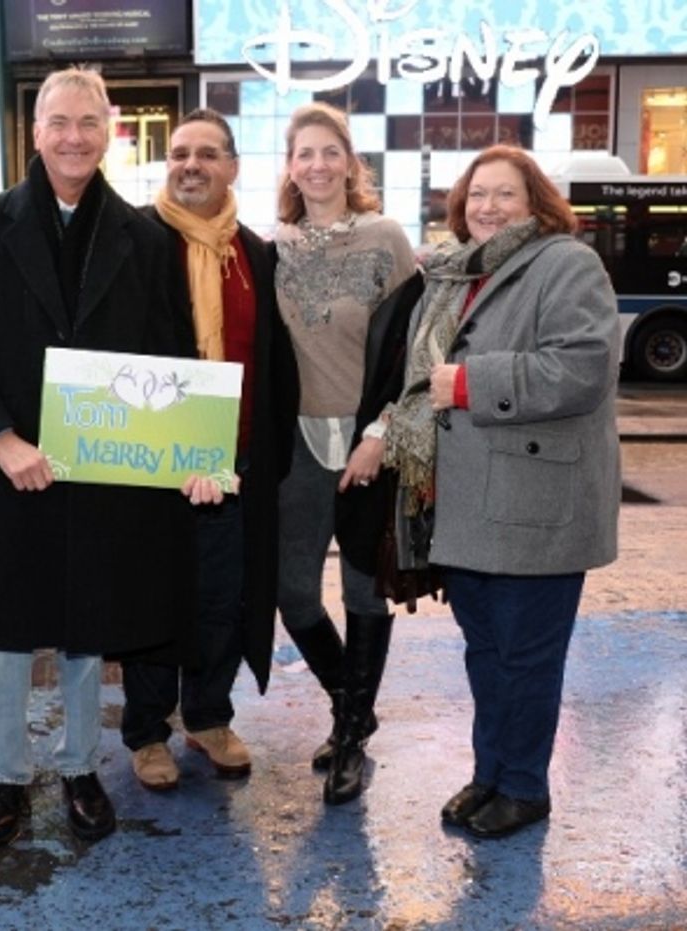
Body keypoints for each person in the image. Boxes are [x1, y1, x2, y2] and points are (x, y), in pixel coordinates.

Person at [0, 66, 204, 848]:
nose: (74, 137)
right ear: (36, 131)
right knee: (6, 634)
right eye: (59, 122)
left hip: (105, 471)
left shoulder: (148, 237)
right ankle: (8, 777)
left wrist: (188, 452)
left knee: (88, 628)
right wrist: (0, 438)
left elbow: (174, 360)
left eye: (88, 122)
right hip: (11, 467)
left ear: (109, 132)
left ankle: (81, 767)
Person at [382, 145, 620, 839]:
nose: (488, 207)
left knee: (526, 658)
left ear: (536, 202)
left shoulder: (566, 263)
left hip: (534, 505)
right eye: (477, 195)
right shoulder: (459, 272)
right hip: (469, 503)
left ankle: (523, 786)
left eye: (504, 194)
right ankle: (490, 773)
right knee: (485, 652)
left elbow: (584, 367)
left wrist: (469, 383)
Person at [119, 109, 296, 790]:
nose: (190, 164)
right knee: (151, 597)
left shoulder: (255, 254)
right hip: (152, 462)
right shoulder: (135, 239)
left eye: (207, 154)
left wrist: (267, 456)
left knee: (223, 598)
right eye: (180, 153)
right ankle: (146, 731)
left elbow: (273, 359)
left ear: (233, 168)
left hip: (234, 463)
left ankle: (209, 716)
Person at [273, 103, 421, 805]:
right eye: (305, 153)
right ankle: (352, 706)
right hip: (298, 445)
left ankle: (350, 740)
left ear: (350, 162)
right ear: (290, 166)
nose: (318, 165)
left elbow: (415, 347)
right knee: (294, 593)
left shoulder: (385, 238)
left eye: (330, 152)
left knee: (365, 591)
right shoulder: (274, 248)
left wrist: (381, 432)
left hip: (368, 443)